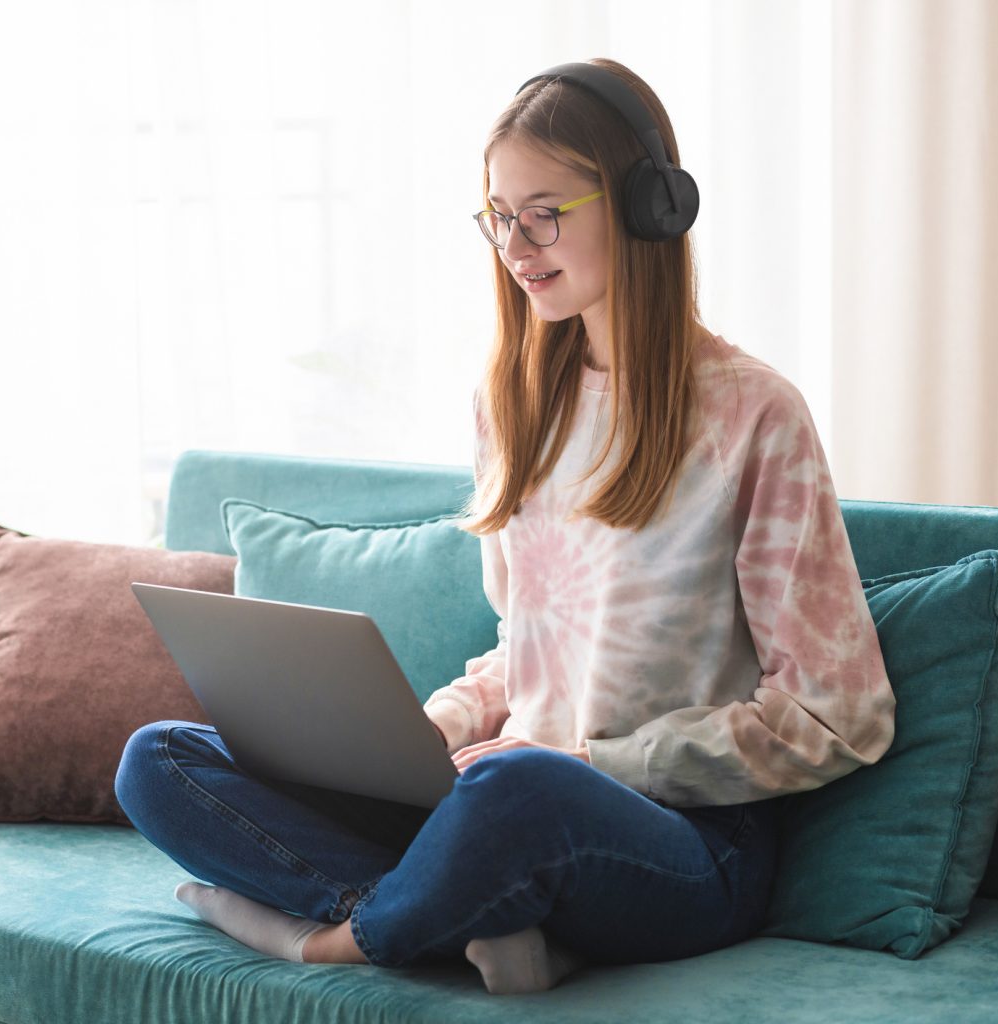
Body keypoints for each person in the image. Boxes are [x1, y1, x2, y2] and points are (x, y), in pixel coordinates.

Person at [113, 57, 896, 995]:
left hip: (683, 842)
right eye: (498, 216)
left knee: (521, 794)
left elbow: (838, 715)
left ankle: (335, 936)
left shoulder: (755, 416)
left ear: (649, 206)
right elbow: (526, 651)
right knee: (158, 760)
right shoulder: (511, 405)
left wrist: (587, 762)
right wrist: (426, 732)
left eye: (544, 212)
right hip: (501, 805)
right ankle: (485, 917)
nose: (516, 245)